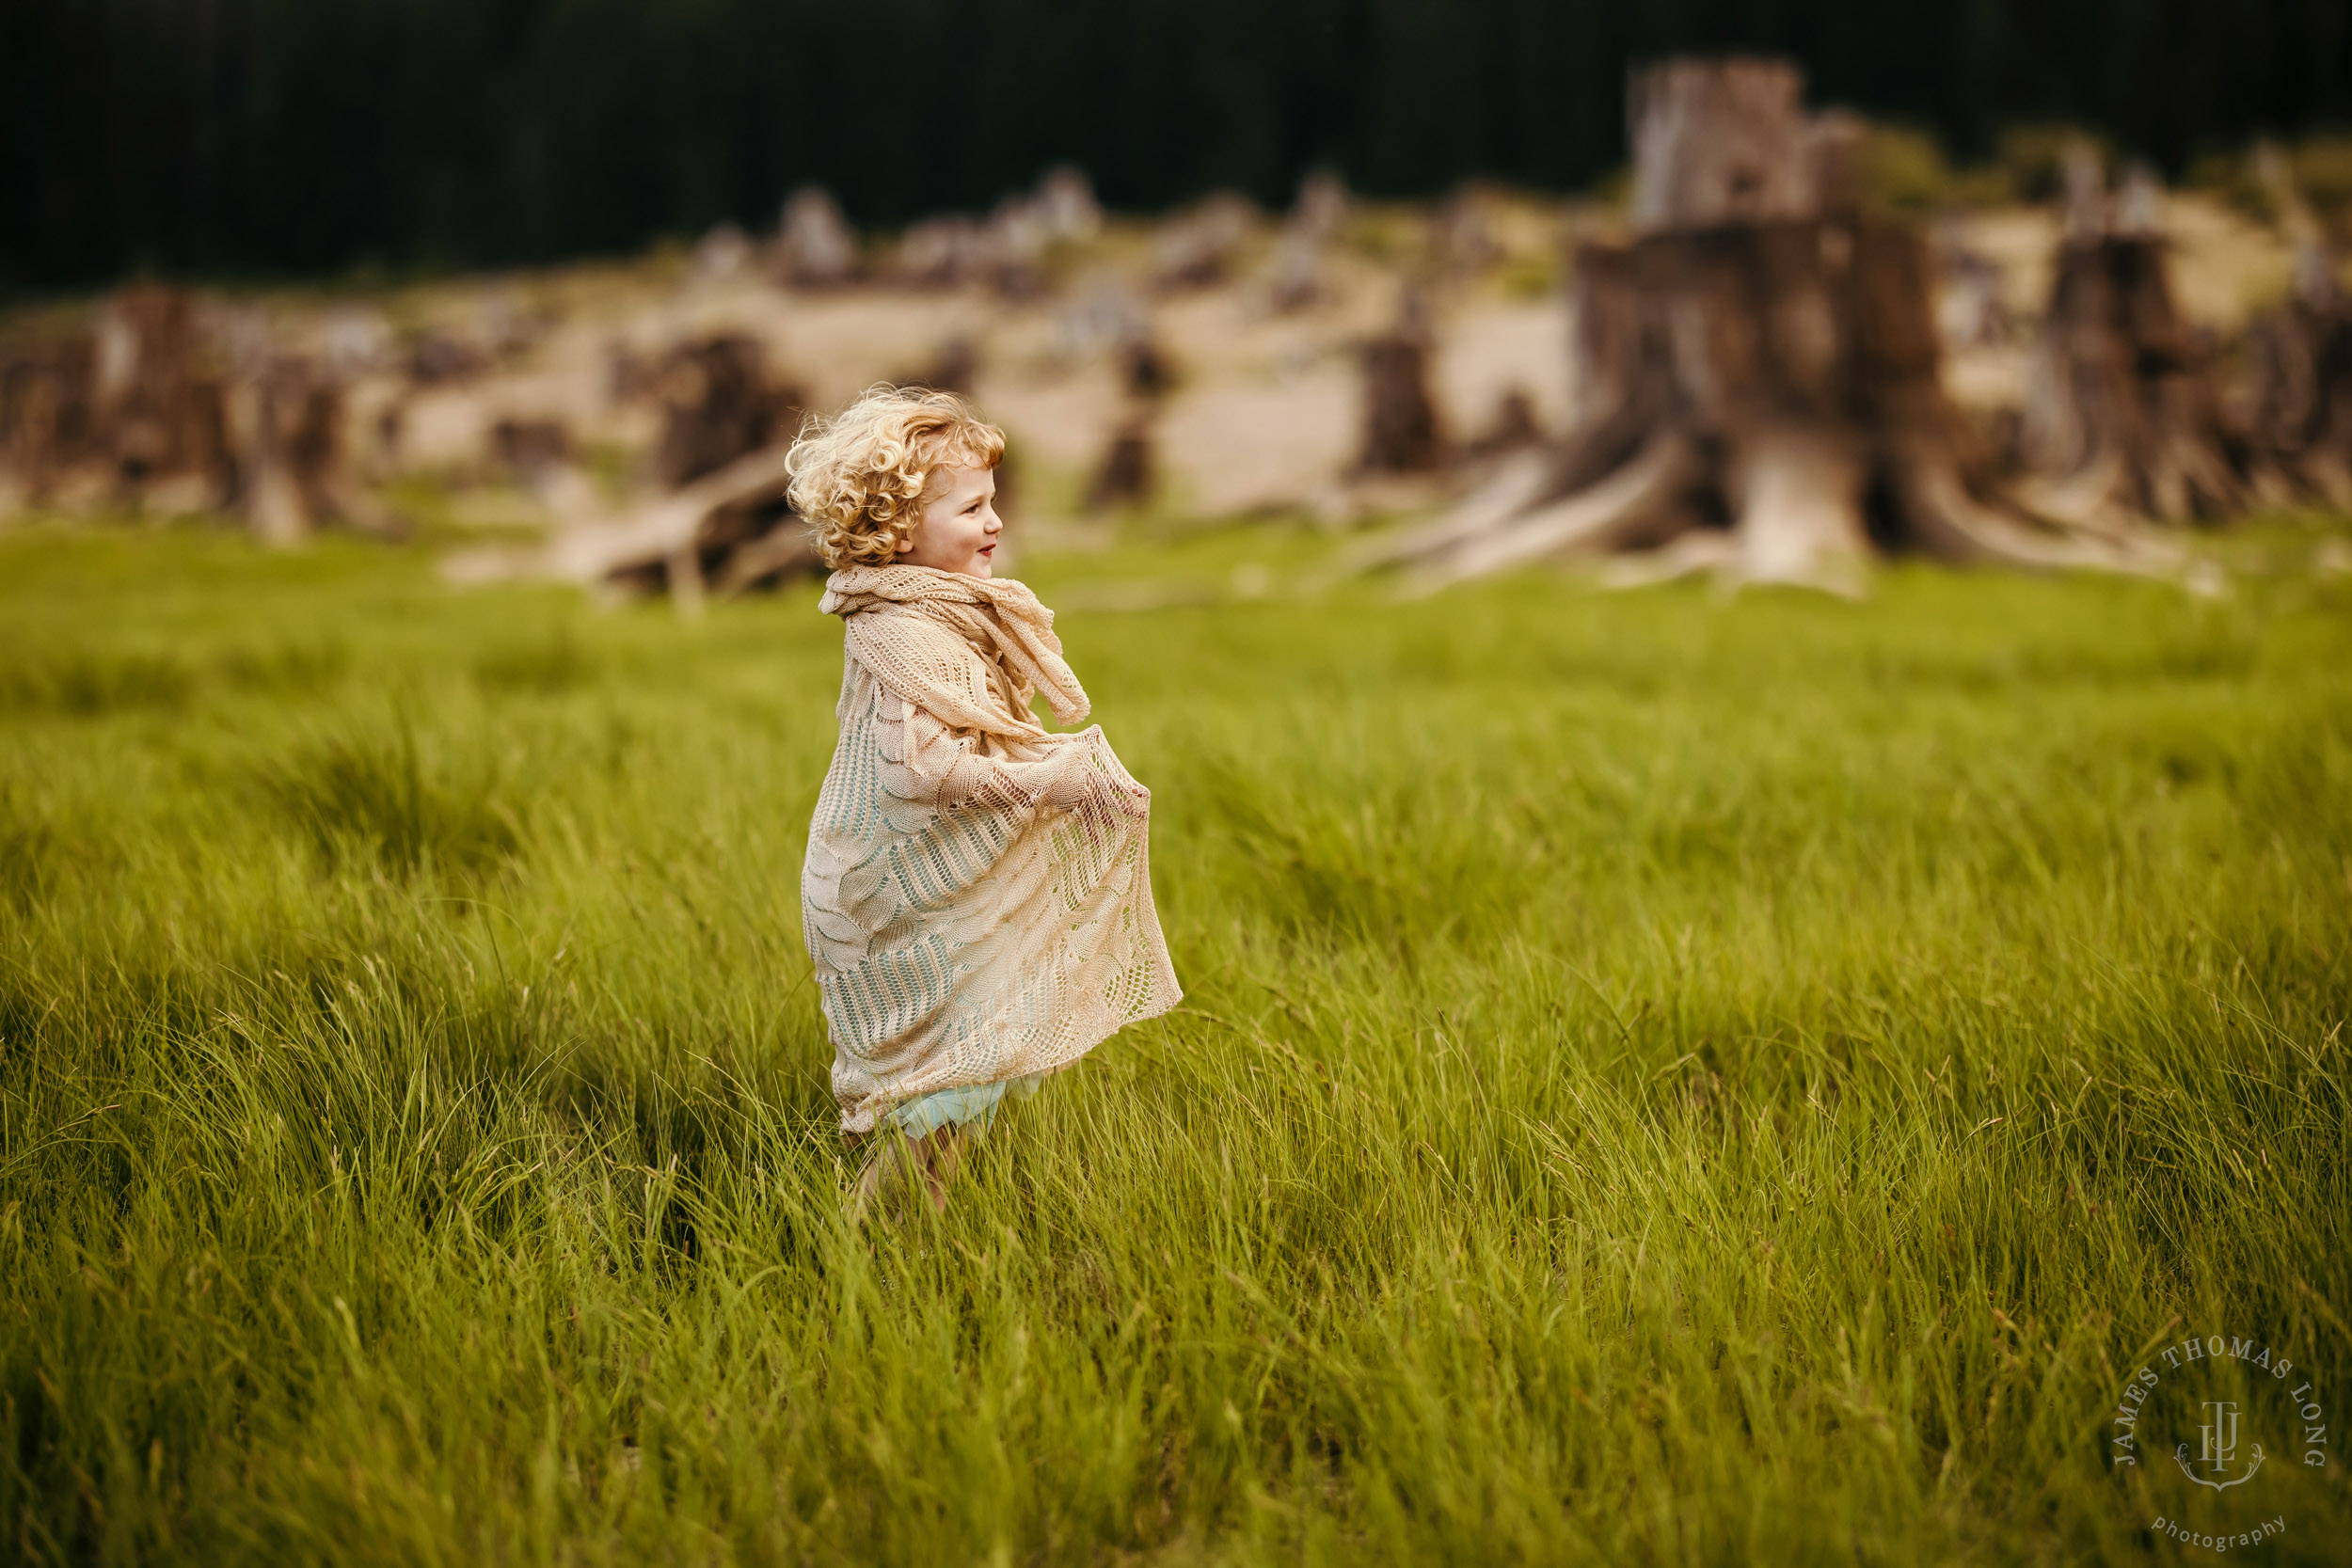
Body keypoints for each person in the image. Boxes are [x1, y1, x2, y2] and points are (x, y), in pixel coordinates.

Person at [788, 386, 1182, 1219]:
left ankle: (919, 1222)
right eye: (972, 507)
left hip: (909, 877)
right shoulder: (901, 627)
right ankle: (863, 1243)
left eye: (993, 501)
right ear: (899, 529)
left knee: (977, 1069)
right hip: (887, 888)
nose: (995, 521)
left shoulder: (936, 611)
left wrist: (1056, 768)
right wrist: (1054, 780)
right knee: (950, 1082)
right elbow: (917, 770)